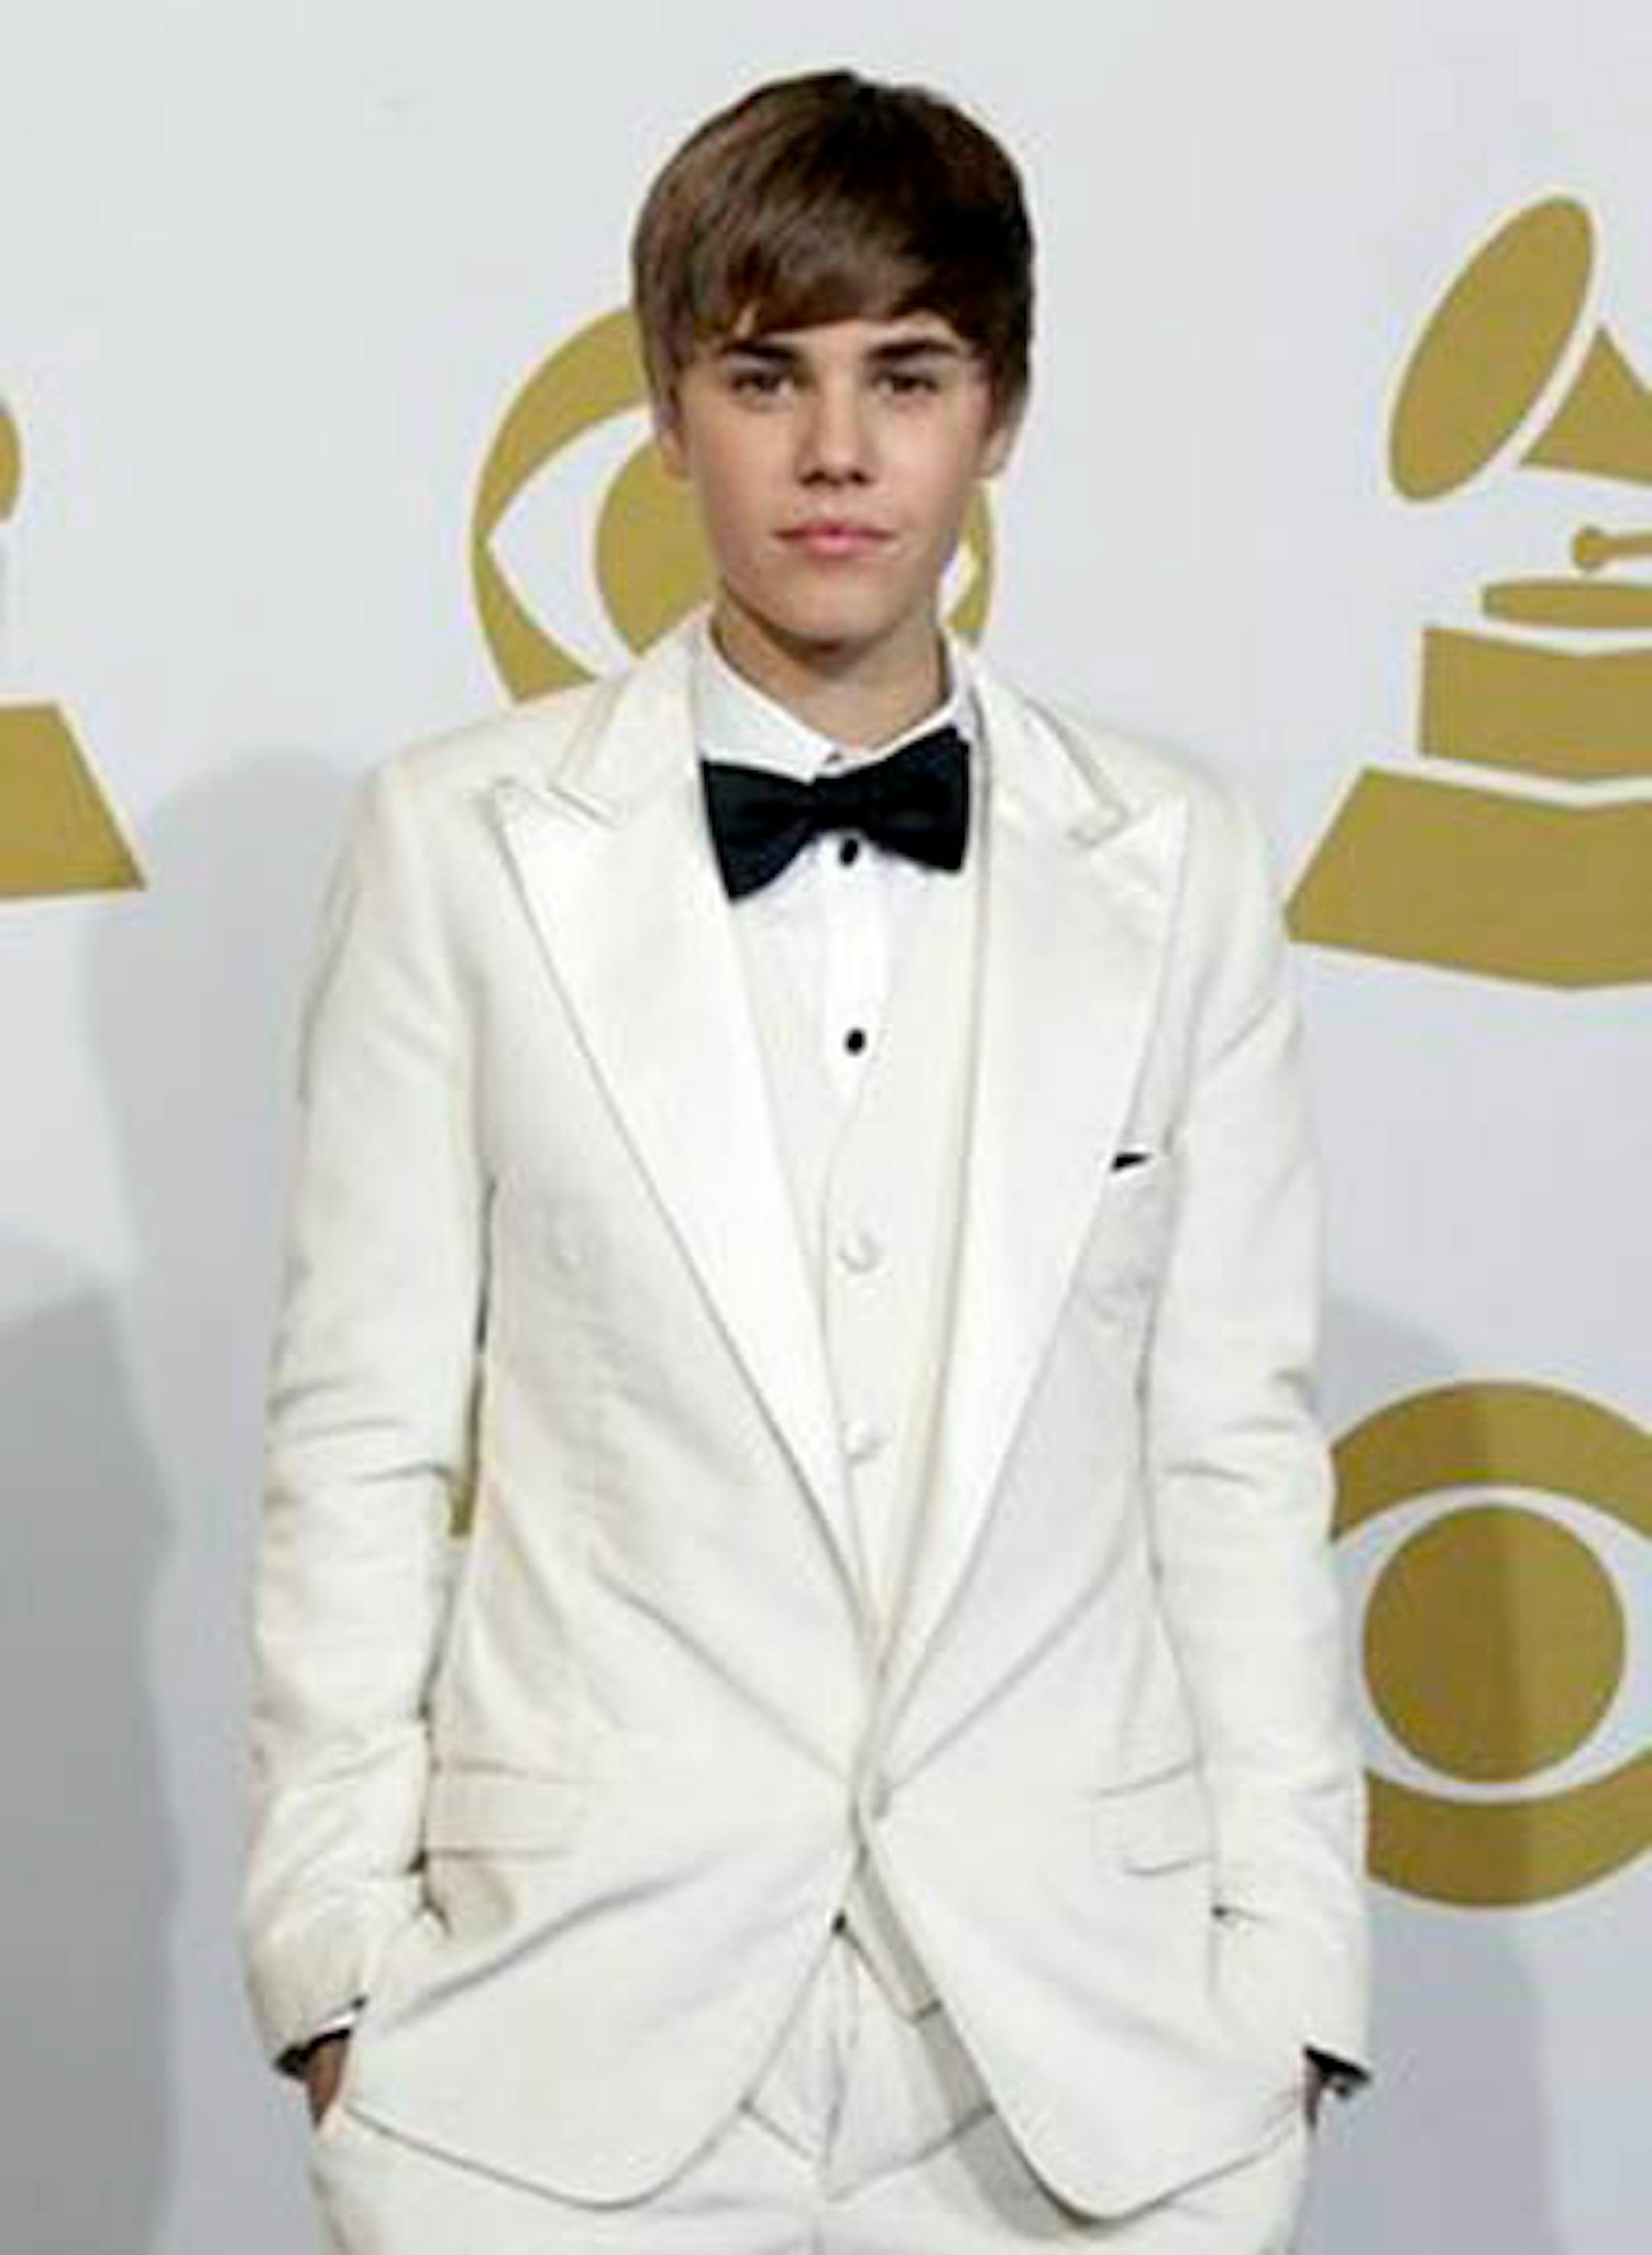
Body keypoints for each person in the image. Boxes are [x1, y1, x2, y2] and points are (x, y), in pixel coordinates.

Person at [240, 67, 1371, 2253]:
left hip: (1094, 2072)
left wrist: (1288, 1985)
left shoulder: (1181, 861)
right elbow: (362, 1441)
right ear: (669, 415)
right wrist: (335, 1979)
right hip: (554, 2066)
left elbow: (1231, 1451)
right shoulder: (457, 849)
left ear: (1002, 412)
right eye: (767, 375)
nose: (837, 452)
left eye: (906, 375)